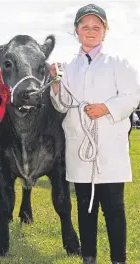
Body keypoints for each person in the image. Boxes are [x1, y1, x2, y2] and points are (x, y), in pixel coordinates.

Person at [50, 4, 140, 264]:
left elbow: (132, 95)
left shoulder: (118, 63)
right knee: (84, 208)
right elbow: (62, 104)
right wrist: (56, 86)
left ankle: (118, 260)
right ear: (76, 30)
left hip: (109, 148)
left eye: (96, 26)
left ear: (105, 30)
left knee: (113, 207)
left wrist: (106, 108)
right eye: (85, 26)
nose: (90, 30)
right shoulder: (69, 68)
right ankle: (88, 258)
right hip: (80, 148)